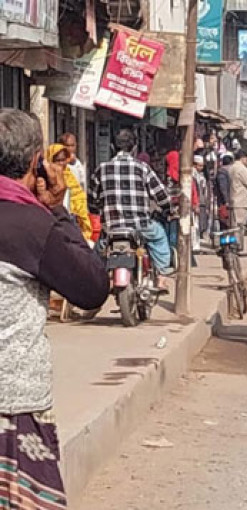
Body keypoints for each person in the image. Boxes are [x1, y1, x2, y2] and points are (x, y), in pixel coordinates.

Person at [0, 109, 108, 508]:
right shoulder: (32, 225)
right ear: (35, 163)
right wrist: (58, 211)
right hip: (13, 408)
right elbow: (92, 288)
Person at [90, 129, 175, 276]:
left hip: (111, 228)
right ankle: (161, 274)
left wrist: (98, 209)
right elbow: (162, 195)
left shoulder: (101, 169)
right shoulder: (142, 168)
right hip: (140, 226)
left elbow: (91, 199)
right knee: (159, 236)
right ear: (134, 148)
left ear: (112, 147)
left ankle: (96, 277)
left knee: (97, 254)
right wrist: (167, 208)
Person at [46, 144, 92, 242]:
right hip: (52, 220)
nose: (61, 163)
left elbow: (79, 198)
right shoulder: (45, 180)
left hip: (71, 220)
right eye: (57, 160)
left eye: (63, 160)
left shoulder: (71, 177)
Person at [229, 150, 247, 233]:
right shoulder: (241, 169)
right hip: (241, 200)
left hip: (234, 198)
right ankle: (237, 244)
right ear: (243, 158)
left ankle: (235, 243)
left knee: (234, 226)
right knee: (239, 226)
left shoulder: (231, 167)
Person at [215, 152, 234, 229]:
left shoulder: (223, 172)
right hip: (224, 202)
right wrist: (226, 200)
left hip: (225, 201)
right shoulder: (223, 173)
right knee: (225, 222)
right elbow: (223, 188)